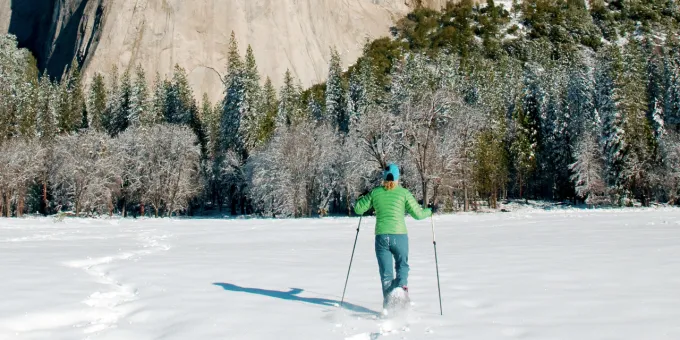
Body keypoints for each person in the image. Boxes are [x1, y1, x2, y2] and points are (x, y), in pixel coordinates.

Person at [353, 163, 432, 313]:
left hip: (382, 237)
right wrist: (430, 211)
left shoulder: (375, 193)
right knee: (402, 265)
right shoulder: (404, 193)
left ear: (384, 177)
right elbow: (418, 215)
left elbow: (359, 209)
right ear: (397, 178)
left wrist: (361, 198)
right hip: (399, 236)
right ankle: (401, 290)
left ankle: (389, 306)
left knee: (386, 273)